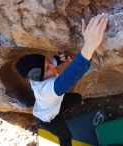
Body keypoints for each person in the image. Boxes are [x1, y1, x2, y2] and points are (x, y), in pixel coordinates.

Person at [15, 14, 109, 146]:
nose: (52, 66)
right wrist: (89, 46)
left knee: (77, 98)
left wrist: (60, 59)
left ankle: (60, 110)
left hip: (53, 104)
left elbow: (50, 63)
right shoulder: (46, 90)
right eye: (48, 68)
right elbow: (68, 78)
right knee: (66, 136)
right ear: (38, 77)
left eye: (49, 62)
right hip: (49, 119)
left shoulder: (39, 75)